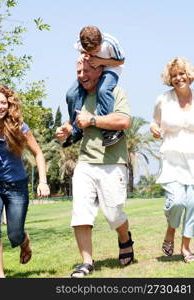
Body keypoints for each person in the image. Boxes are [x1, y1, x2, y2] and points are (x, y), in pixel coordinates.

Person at [56, 58, 134, 278]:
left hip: (112, 161)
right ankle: (86, 262)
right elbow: (75, 124)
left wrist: (92, 120)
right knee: (81, 212)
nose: (81, 75)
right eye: (79, 70)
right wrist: (66, 130)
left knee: (114, 213)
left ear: (100, 70)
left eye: (87, 70)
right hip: (86, 162)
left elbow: (123, 121)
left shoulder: (115, 92)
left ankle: (124, 237)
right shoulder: (78, 97)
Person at [0, 85, 50, 277]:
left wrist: (43, 181)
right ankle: (1, 276)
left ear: (9, 105)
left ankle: (23, 240)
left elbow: (38, 153)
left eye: (3, 102)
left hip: (17, 186)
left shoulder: (20, 127)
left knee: (14, 233)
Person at [150, 57, 194, 263]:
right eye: (174, 75)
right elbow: (154, 122)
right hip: (171, 160)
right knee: (177, 201)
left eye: (181, 74)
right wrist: (154, 129)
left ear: (189, 75)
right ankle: (171, 230)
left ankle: (186, 248)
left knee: (193, 204)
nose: (178, 78)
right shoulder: (163, 100)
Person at [64, 25, 125, 148]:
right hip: (93, 66)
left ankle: (109, 130)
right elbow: (83, 51)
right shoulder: (80, 43)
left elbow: (121, 61)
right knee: (71, 94)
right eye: (90, 51)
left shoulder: (110, 43)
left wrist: (100, 61)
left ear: (100, 41)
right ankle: (76, 130)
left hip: (111, 67)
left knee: (103, 90)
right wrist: (83, 54)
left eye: (96, 50)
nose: (94, 53)